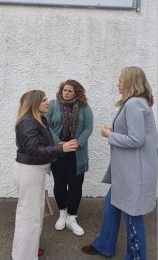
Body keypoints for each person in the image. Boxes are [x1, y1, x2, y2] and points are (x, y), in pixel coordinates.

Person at [82, 66, 157, 260]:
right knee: (111, 205)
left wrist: (109, 134)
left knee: (132, 217)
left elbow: (136, 139)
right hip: (126, 172)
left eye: (120, 80)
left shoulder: (134, 104)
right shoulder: (136, 103)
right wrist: (114, 130)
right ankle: (105, 245)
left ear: (130, 82)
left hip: (133, 174)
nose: (118, 83)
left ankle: (136, 257)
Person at [12, 90, 78, 260]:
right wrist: (60, 148)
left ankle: (30, 249)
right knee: (29, 215)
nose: (47, 102)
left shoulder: (39, 119)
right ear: (34, 103)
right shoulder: (27, 121)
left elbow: (42, 143)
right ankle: (24, 256)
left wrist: (59, 144)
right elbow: (33, 150)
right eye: (44, 100)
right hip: (30, 172)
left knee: (35, 213)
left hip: (36, 171)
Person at [45, 80, 93, 236]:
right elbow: (46, 124)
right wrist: (58, 142)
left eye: (70, 91)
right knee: (59, 184)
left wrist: (78, 143)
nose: (66, 93)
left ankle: (72, 217)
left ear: (76, 92)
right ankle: (62, 214)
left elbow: (88, 127)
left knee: (75, 185)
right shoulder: (53, 105)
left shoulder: (84, 107)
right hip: (58, 151)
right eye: (64, 90)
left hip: (76, 152)